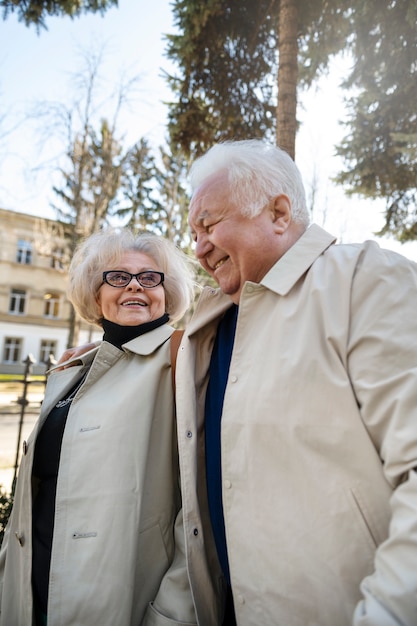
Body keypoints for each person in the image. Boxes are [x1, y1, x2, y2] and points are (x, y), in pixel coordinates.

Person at [48, 139, 417, 626]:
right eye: (192, 232)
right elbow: (147, 342)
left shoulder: (366, 280)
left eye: (208, 225)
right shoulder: (211, 324)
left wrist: (389, 613)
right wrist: (96, 357)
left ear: (279, 213)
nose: (198, 248)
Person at [0, 228, 198, 626]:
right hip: (29, 593)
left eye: (149, 277)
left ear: (167, 292)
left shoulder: (184, 360)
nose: (135, 287)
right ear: (96, 294)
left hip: (118, 602)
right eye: (118, 277)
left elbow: (198, 512)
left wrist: (171, 614)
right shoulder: (72, 370)